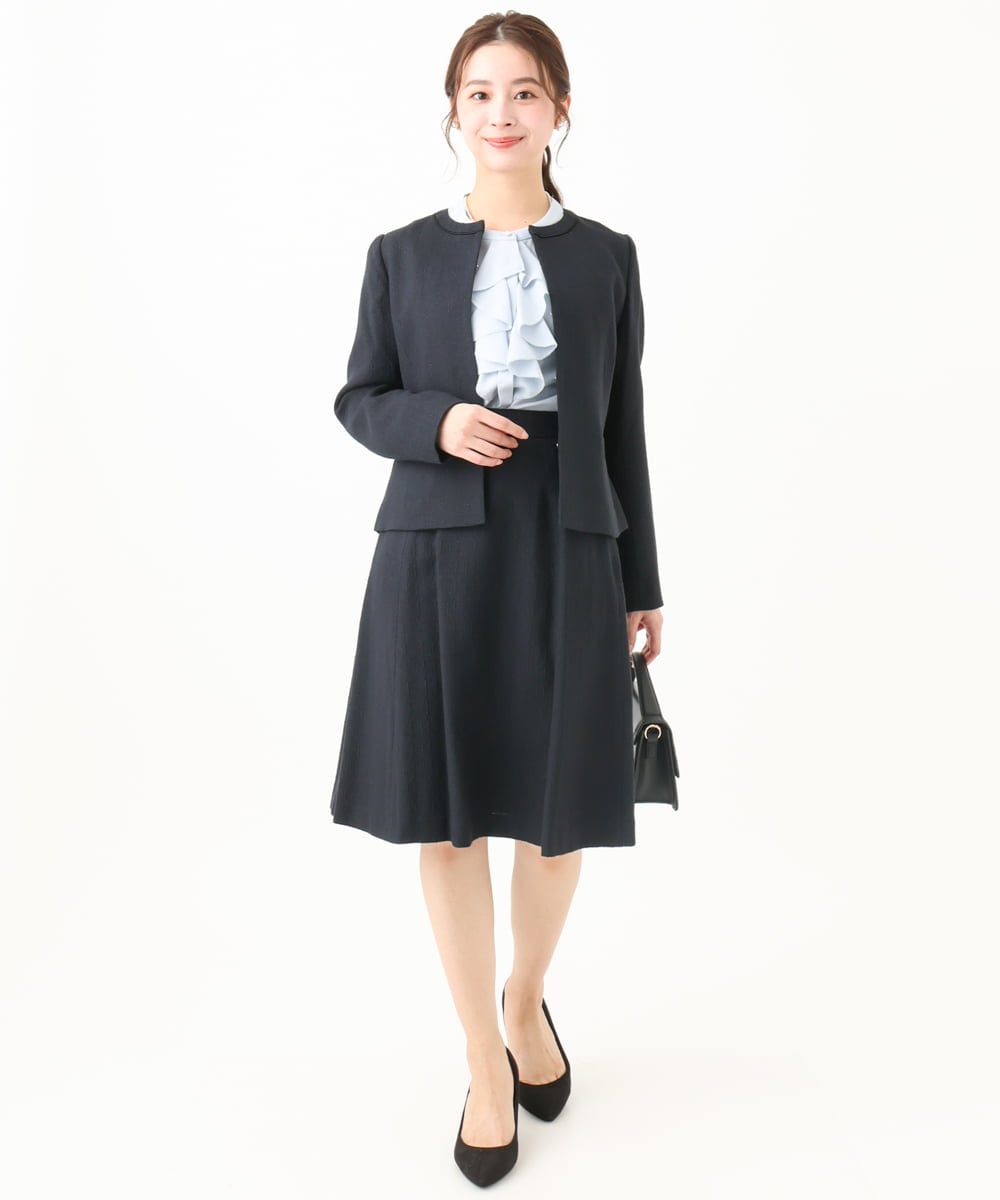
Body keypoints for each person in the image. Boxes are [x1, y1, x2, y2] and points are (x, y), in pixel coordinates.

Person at [329, 10, 663, 1186]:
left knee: (558, 806)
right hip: (435, 550)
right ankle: (483, 1056)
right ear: (454, 111)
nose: (502, 112)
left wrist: (642, 579)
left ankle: (526, 1001)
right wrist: (434, 422)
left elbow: (621, 424)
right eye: (480, 93)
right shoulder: (400, 254)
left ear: (558, 109)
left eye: (524, 92)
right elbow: (360, 396)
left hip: (569, 543)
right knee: (450, 812)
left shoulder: (606, 254)